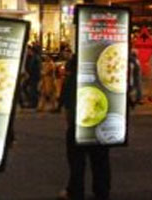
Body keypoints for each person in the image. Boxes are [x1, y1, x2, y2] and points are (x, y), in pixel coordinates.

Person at [60, 53, 111, 200]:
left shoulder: (71, 80)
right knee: (101, 162)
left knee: (77, 164)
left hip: (78, 125)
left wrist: (71, 124)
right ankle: (102, 192)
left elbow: (67, 107)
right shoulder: (102, 80)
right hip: (100, 125)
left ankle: (75, 192)